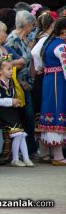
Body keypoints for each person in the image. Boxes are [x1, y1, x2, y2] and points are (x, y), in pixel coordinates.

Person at [0, 57, 35, 167]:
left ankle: (26, 158)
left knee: (21, 134)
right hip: (2, 113)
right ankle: (15, 159)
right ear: (0, 71)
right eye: (8, 69)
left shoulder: (10, 82)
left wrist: (15, 102)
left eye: (12, 69)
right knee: (18, 133)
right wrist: (11, 101)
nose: (11, 71)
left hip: (11, 112)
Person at [6, 10, 37, 155]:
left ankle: (30, 149)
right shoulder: (12, 39)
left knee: (29, 118)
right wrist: (19, 81)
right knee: (24, 117)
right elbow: (9, 64)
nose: (33, 27)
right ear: (26, 24)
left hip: (28, 83)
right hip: (18, 85)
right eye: (32, 25)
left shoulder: (26, 39)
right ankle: (24, 150)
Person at [37, 17, 66, 165]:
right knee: (56, 111)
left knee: (49, 111)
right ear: (63, 30)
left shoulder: (49, 42)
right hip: (58, 82)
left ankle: (44, 153)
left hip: (49, 80)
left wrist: (39, 68)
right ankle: (58, 156)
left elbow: (36, 55)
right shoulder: (61, 46)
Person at [30, 13, 55, 163]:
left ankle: (45, 151)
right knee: (42, 112)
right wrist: (41, 65)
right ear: (52, 25)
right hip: (43, 76)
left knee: (41, 112)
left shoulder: (40, 37)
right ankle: (44, 151)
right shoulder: (45, 38)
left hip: (41, 76)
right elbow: (34, 53)